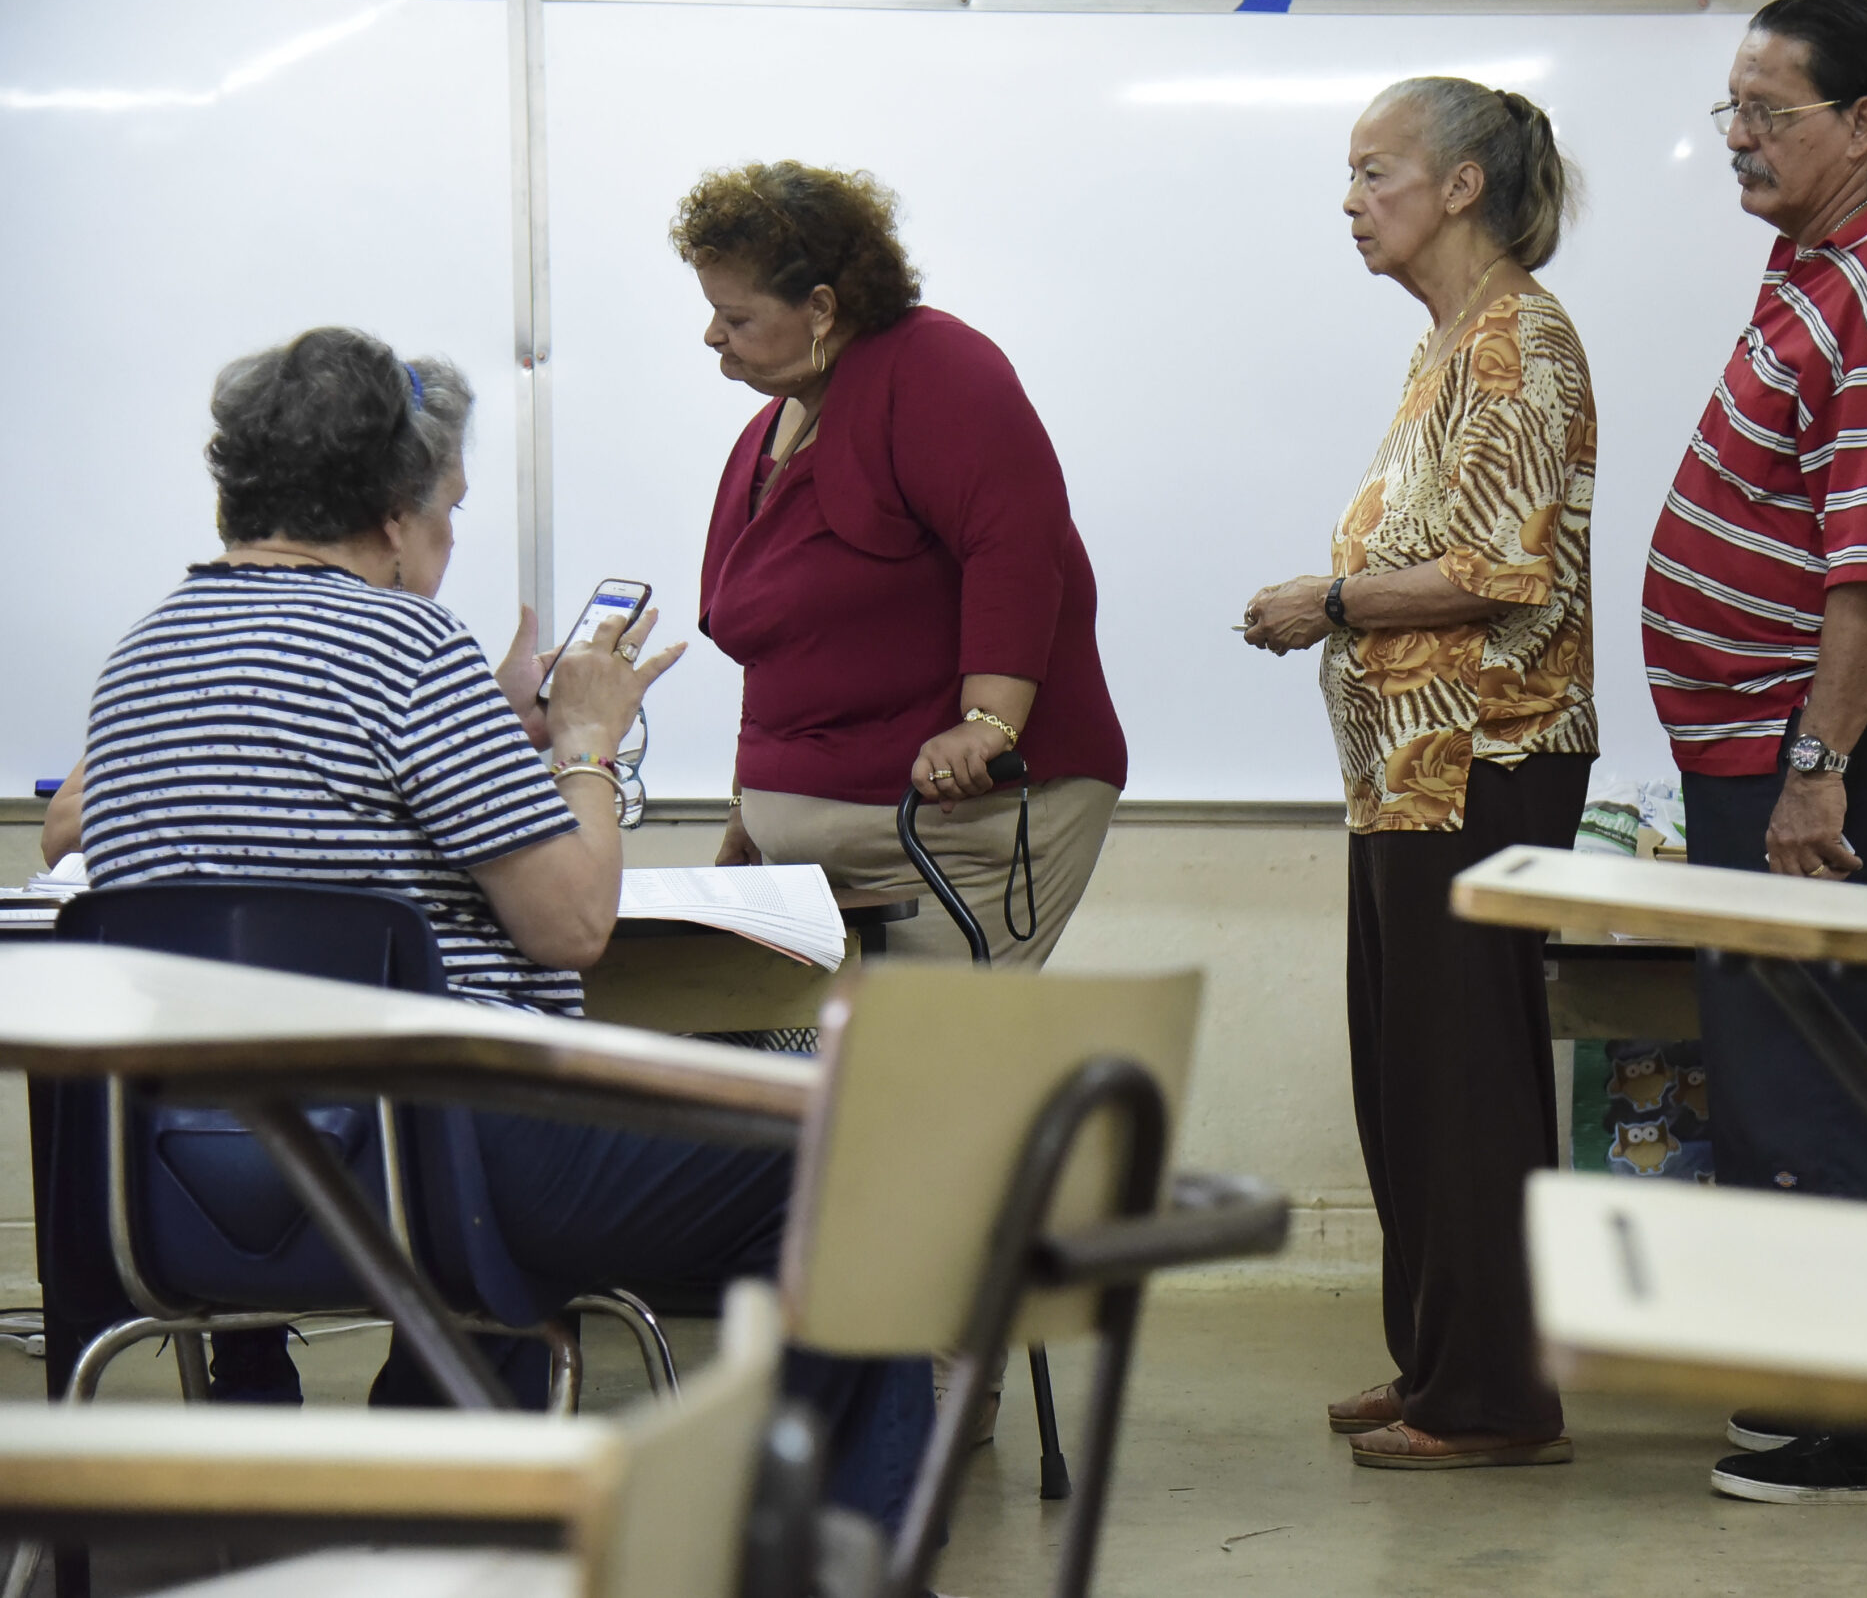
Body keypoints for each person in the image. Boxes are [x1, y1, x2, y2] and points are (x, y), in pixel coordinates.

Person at [49, 326, 930, 1522]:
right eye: (450, 509)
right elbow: (572, 927)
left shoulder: (142, 656)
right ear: (393, 511)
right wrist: (582, 745)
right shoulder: (411, 652)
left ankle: (428, 1488)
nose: (450, 540)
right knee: (870, 1168)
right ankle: (836, 1568)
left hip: (187, 1185)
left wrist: (491, 733)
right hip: (428, 1169)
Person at [1639, 0, 1867, 1503]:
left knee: (1847, 1069)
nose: (1739, 141)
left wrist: (1815, 763)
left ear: (1861, 124)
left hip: (1843, 738)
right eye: (1730, 111)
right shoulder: (1819, 262)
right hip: (1778, 737)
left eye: (1768, 113)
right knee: (1784, 1067)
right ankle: (1829, 1394)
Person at [1243, 77, 1596, 1472]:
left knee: (1470, 1084)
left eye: (1374, 171)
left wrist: (1328, 601)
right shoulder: (1450, 341)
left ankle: (1500, 1396)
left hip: (1481, 758)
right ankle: (1440, 1362)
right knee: (1412, 1079)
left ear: (1462, 187)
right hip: (1410, 770)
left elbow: (1504, 571)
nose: (1351, 200)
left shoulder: (1518, 341)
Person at [675, 161, 1126, 970]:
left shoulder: (936, 369)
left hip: (949, 836)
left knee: (919, 1084)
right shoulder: (774, 429)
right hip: (824, 851)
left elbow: (1017, 545)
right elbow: (782, 647)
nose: (713, 336)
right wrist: (750, 802)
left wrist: (988, 722)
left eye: (733, 317)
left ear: (820, 307)